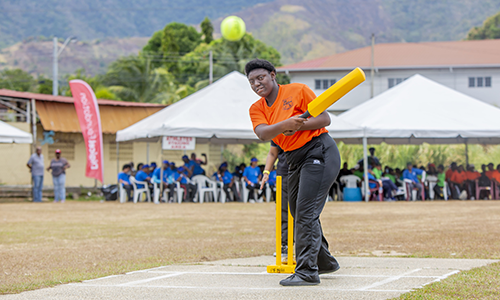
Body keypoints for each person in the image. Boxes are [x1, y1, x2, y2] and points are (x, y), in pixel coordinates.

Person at [246, 58, 340, 286]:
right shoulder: (256, 108)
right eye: (252, 81)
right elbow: (263, 133)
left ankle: (307, 271)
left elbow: (324, 118)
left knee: (306, 212)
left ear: (272, 75)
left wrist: (299, 125)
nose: (257, 84)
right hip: (294, 158)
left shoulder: (298, 90)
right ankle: (325, 262)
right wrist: (285, 125)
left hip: (319, 150)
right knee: (297, 212)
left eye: (261, 78)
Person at [261, 141, 290, 259]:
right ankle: (285, 245)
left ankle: (308, 246)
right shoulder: (277, 129)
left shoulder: (304, 124)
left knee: (304, 211)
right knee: (283, 211)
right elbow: (273, 153)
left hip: (302, 172)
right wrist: (266, 172)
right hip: (283, 174)